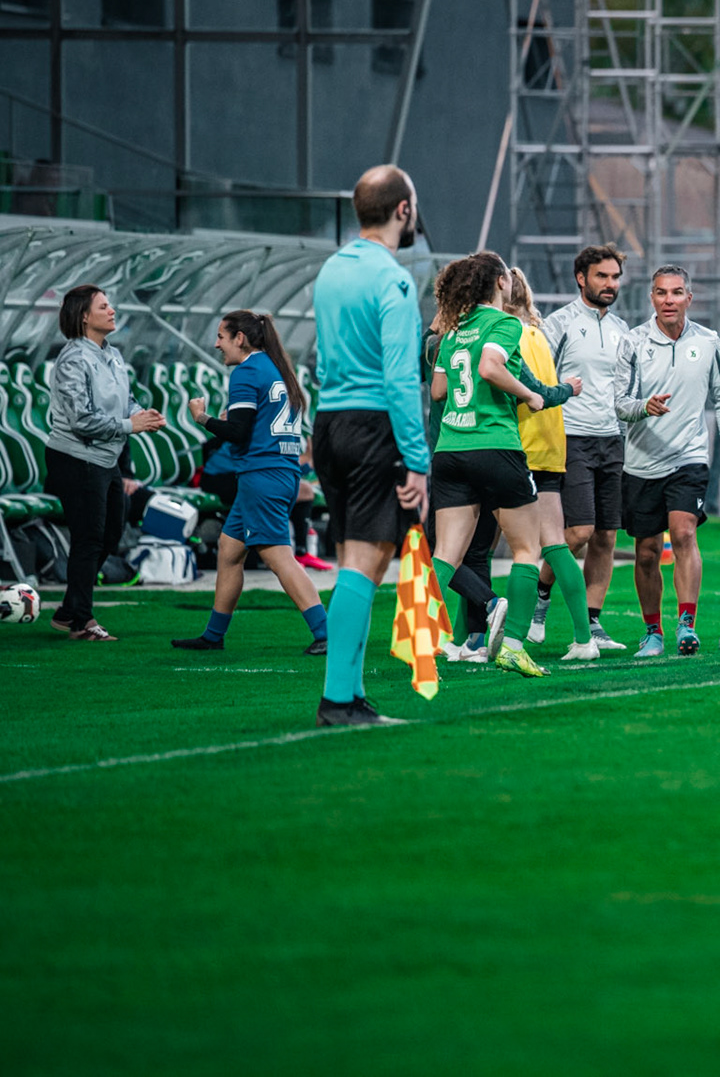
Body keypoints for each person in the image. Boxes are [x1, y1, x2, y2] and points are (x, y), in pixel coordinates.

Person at [309, 165, 431, 726]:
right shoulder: (394, 279)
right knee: (365, 563)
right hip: (372, 426)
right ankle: (338, 701)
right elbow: (400, 378)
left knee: (349, 562)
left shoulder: (332, 269)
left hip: (330, 422)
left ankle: (351, 694)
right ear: (402, 210)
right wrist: (415, 460)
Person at [427, 252, 562, 676]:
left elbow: (437, 391)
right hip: (496, 447)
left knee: (446, 555)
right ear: (501, 282)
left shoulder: (453, 330)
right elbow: (489, 366)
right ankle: (513, 645)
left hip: (450, 450)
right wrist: (530, 394)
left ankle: (485, 604)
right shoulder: (505, 324)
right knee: (527, 549)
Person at [170, 311, 329, 654]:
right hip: (276, 472)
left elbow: (239, 432)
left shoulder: (246, 371)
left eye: (221, 337)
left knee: (278, 557)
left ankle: (327, 632)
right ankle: (213, 635)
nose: (216, 344)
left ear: (239, 338)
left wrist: (202, 417)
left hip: (262, 476)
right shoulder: (275, 368)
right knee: (229, 551)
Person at [614, 264, 720, 658]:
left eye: (676, 292)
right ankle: (652, 631)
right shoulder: (633, 342)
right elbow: (619, 404)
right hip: (641, 462)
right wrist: (644, 408)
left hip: (689, 456)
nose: (669, 300)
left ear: (690, 297)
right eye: (661, 293)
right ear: (651, 298)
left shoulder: (708, 341)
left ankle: (687, 624)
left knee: (684, 533)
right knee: (647, 550)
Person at [44, 284, 165, 641]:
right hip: (75, 458)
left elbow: (125, 401)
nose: (112, 311)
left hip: (104, 459)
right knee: (89, 538)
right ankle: (82, 621)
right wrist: (131, 425)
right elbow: (81, 419)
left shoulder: (112, 354)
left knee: (111, 532)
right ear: (84, 316)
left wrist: (143, 415)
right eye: (104, 306)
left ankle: (69, 609)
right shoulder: (72, 359)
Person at [536, 245, 629, 651]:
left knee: (606, 537)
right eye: (602, 277)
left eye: (615, 277)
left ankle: (593, 625)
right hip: (570, 437)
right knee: (577, 532)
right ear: (581, 278)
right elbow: (539, 381)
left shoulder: (624, 329)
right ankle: (540, 602)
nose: (610, 284)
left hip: (613, 439)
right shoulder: (559, 325)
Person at [497, 270, 592, 659]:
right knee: (554, 543)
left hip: (521, 446)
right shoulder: (536, 333)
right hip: (552, 447)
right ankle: (584, 640)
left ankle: (473, 638)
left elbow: (521, 389)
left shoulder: (504, 332)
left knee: (483, 546)